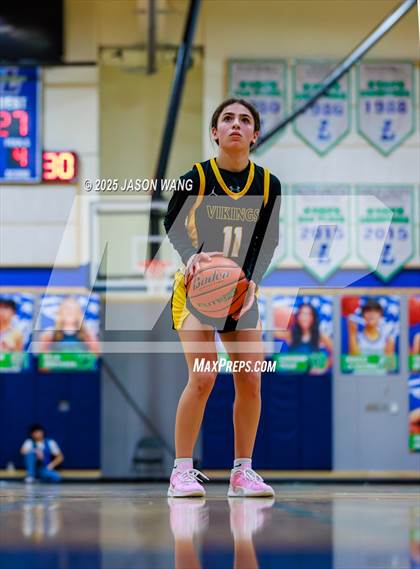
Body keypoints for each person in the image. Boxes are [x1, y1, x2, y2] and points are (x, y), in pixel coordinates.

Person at [164, 98, 281, 497]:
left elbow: (268, 239)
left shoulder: (269, 185)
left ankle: (242, 473)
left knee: (250, 378)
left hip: (240, 291)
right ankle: (181, 471)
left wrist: (253, 282)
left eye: (244, 120)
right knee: (203, 376)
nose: (236, 124)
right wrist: (190, 256)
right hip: (197, 289)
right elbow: (171, 221)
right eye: (227, 119)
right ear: (214, 132)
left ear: (255, 135)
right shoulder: (196, 177)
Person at [274, 303, 333, 374]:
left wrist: (324, 367)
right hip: (293, 377)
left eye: (308, 314)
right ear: (297, 317)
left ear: (313, 317)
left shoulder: (320, 336)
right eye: (302, 314)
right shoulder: (290, 334)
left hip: (312, 378)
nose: (304, 317)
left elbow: (336, 352)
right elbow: (271, 332)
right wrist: (280, 314)